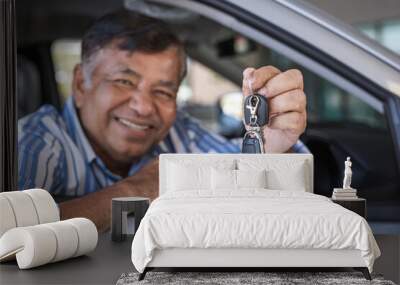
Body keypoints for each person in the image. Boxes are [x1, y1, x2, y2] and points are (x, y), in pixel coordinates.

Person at [18, 10, 307, 231]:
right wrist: (136, 190)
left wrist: (270, 146)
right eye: (123, 81)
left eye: (163, 91)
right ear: (81, 85)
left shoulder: (179, 131)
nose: (143, 107)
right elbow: (10, 237)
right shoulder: (34, 143)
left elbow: (236, 165)